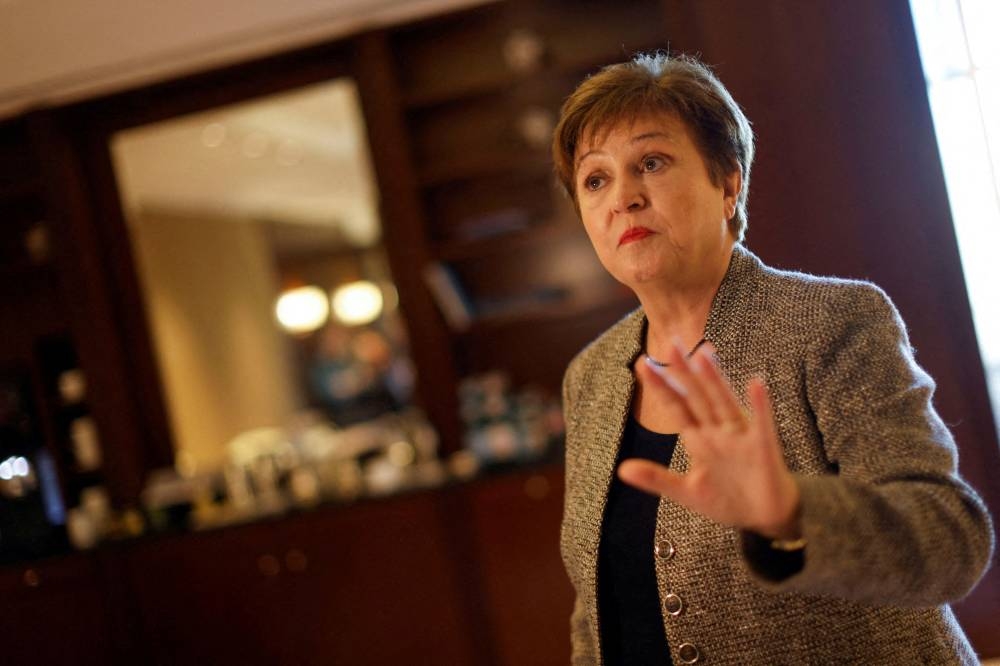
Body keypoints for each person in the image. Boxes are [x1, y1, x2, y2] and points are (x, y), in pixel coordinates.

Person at [552, 52, 994, 665]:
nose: (623, 197)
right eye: (595, 179)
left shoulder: (829, 323)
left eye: (651, 163)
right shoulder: (590, 376)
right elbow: (593, 616)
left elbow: (950, 537)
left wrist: (791, 512)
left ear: (727, 183)